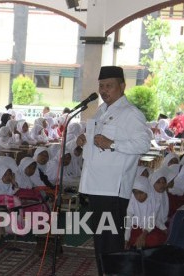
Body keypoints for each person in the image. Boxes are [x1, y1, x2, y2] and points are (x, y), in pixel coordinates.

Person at [76, 66, 150, 275]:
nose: (104, 90)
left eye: (109, 86)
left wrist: (113, 143)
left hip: (113, 189)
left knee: (111, 242)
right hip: (96, 185)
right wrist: (84, 140)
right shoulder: (101, 111)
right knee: (101, 241)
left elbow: (143, 144)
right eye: (101, 86)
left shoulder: (131, 113)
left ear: (122, 86)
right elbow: (98, 143)